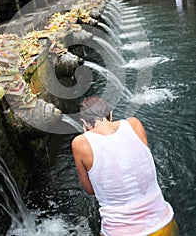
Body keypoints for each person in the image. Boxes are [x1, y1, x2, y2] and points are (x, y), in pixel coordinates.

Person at [71, 96, 179, 236]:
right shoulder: (134, 124)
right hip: (163, 224)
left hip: (119, 232)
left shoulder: (80, 143)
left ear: (84, 122)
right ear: (110, 115)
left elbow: (91, 189)